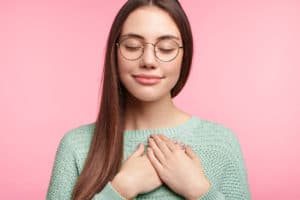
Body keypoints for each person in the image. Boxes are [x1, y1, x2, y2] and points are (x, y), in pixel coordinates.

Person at [46, 0, 250, 199]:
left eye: (167, 48)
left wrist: (200, 191)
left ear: (184, 55)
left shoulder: (220, 143)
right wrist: (121, 189)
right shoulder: (76, 146)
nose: (149, 61)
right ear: (114, 52)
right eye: (133, 46)